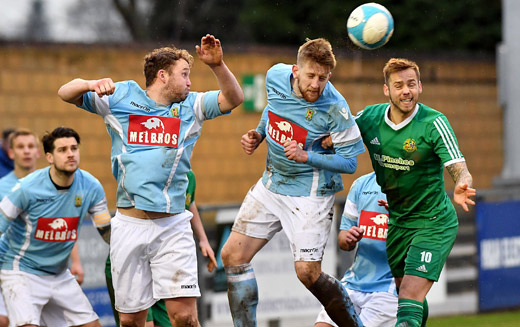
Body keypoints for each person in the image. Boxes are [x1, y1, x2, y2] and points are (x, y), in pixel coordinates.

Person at [58, 34, 243, 327]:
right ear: (162, 75)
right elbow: (65, 92)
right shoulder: (120, 97)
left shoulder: (191, 106)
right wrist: (91, 84)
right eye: (184, 75)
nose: (190, 83)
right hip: (129, 225)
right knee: (131, 320)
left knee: (183, 316)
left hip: (172, 226)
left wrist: (218, 66)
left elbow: (234, 98)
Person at [220, 38, 365, 327]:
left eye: (323, 78)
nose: (316, 84)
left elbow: (350, 163)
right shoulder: (275, 76)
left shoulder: (336, 108)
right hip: (272, 184)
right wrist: (259, 134)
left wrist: (306, 155)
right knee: (232, 255)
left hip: (310, 193)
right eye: (311, 76)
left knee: (307, 273)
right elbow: (274, 108)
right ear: (295, 70)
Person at [353, 58, 476, 327]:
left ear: (419, 86)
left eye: (411, 84)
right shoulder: (369, 118)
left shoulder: (433, 122)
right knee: (408, 296)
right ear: (387, 90)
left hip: (434, 222)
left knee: (408, 295)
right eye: (398, 85)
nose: (405, 91)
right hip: (398, 222)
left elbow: (458, 165)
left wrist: (460, 183)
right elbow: (337, 135)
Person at [0, 127, 111, 327]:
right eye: (63, 150)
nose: (70, 154)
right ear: (49, 157)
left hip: (59, 273)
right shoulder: (26, 188)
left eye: (74, 148)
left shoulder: (91, 186)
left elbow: (107, 232)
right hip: (21, 270)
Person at [105, 169, 217, 327]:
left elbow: (190, 204)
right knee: (141, 322)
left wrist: (203, 240)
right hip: (136, 254)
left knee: (184, 317)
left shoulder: (189, 175)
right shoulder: (145, 164)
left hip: (164, 254)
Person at [314, 172, 397, 327]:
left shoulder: (411, 186)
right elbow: (343, 239)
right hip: (354, 282)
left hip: (388, 287)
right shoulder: (361, 184)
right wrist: (348, 238)